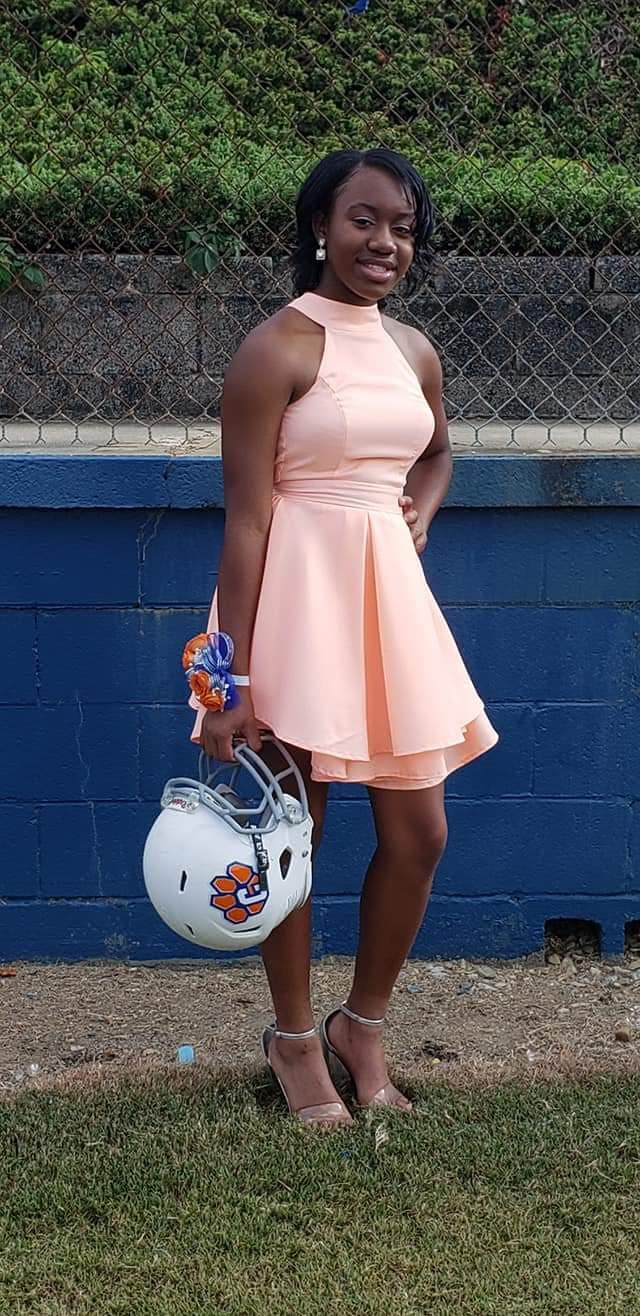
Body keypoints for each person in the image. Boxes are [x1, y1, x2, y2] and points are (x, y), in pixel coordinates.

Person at [189, 147, 499, 1129]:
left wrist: (424, 507)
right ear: (320, 226)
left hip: (389, 606)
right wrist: (226, 680)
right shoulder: (274, 348)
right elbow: (245, 520)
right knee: (296, 830)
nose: (387, 242)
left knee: (420, 832)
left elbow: (440, 446)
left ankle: (359, 1025)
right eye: (366, 220)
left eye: (403, 226)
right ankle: (290, 1039)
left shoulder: (413, 350)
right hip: (291, 605)